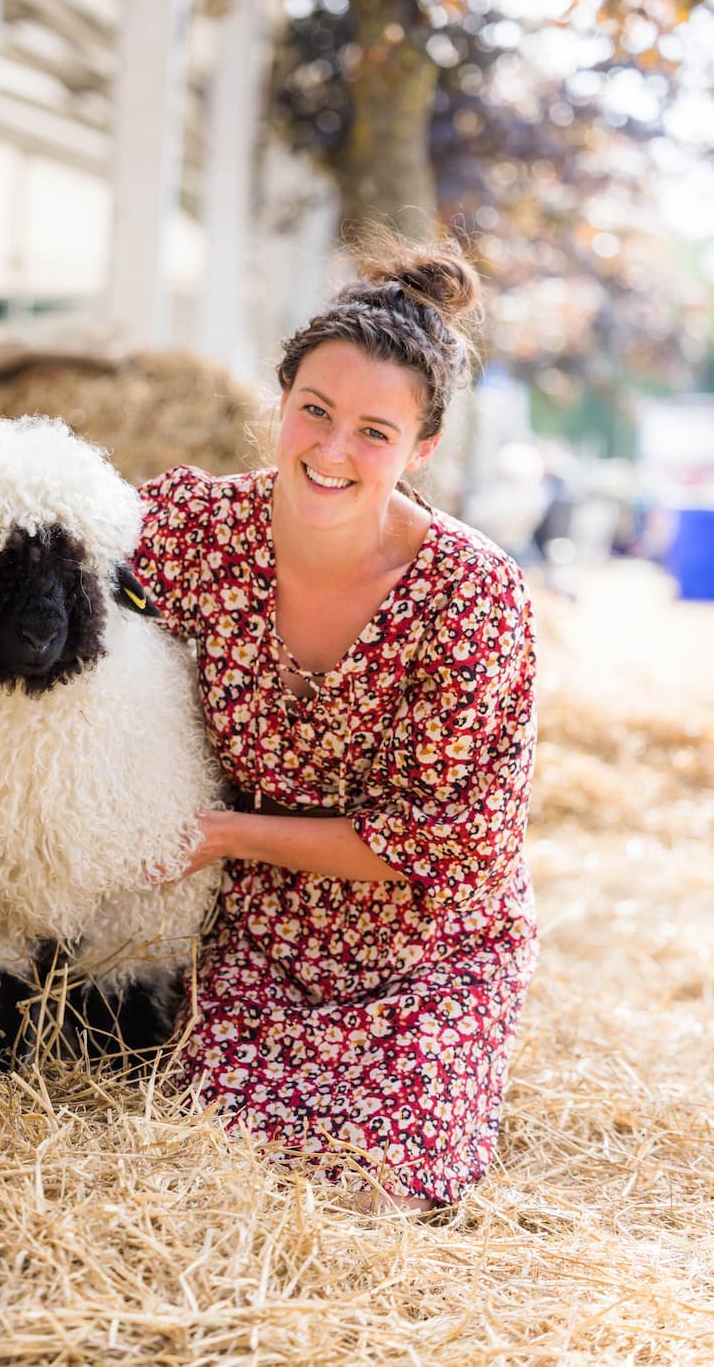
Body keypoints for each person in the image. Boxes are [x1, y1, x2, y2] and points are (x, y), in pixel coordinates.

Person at [133, 234, 538, 1215]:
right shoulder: (197, 529)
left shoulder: (469, 597)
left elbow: (452, 843)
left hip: (425, 949)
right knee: (213, 1169)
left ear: (421, 449)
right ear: (279, 403)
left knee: (380, 1182)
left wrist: (228, 834)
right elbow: (60, 549)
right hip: (260, 940)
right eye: (311, 410)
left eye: (372, 430)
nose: (328, 449)